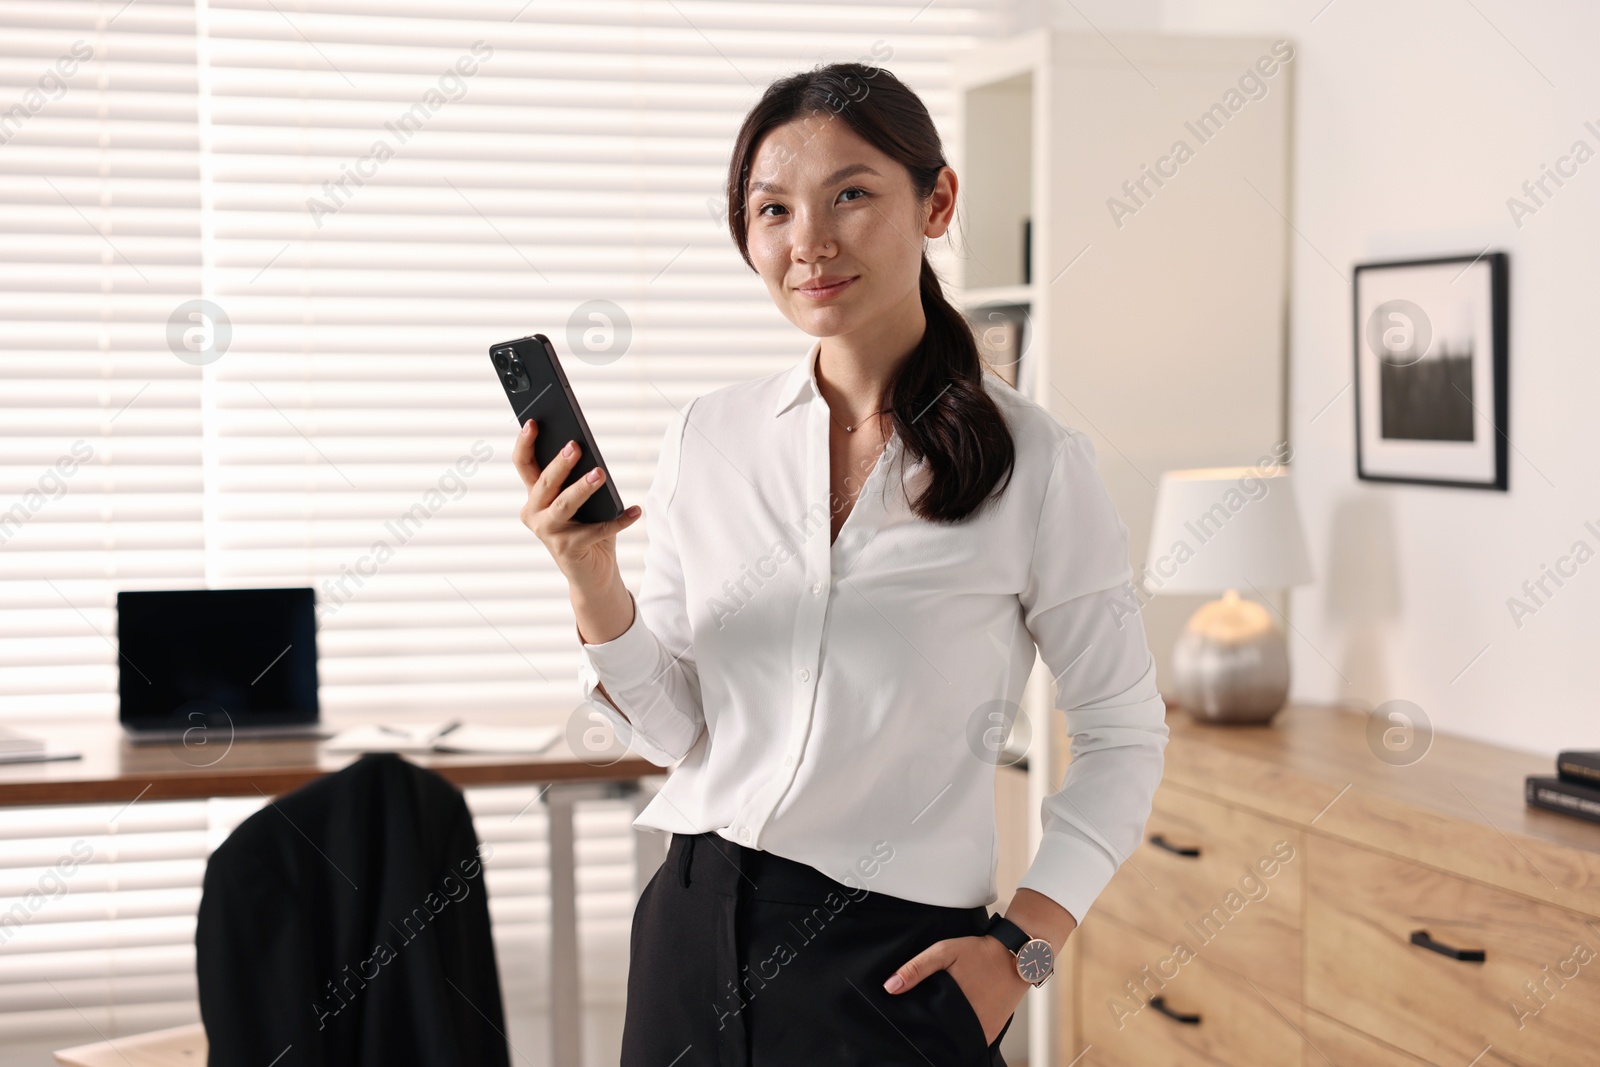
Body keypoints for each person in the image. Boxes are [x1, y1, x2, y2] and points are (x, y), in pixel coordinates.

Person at [514, 61, 1168, 1067]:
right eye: (771, 209)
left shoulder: (1038, 463)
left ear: (936, 199)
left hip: (890, 964)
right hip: (690, 926)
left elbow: (1123, 735)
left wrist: (1022, 953)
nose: (807, 242)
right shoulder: (708, 435)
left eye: (850, 195)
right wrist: (589, 577)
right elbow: (677, 729)